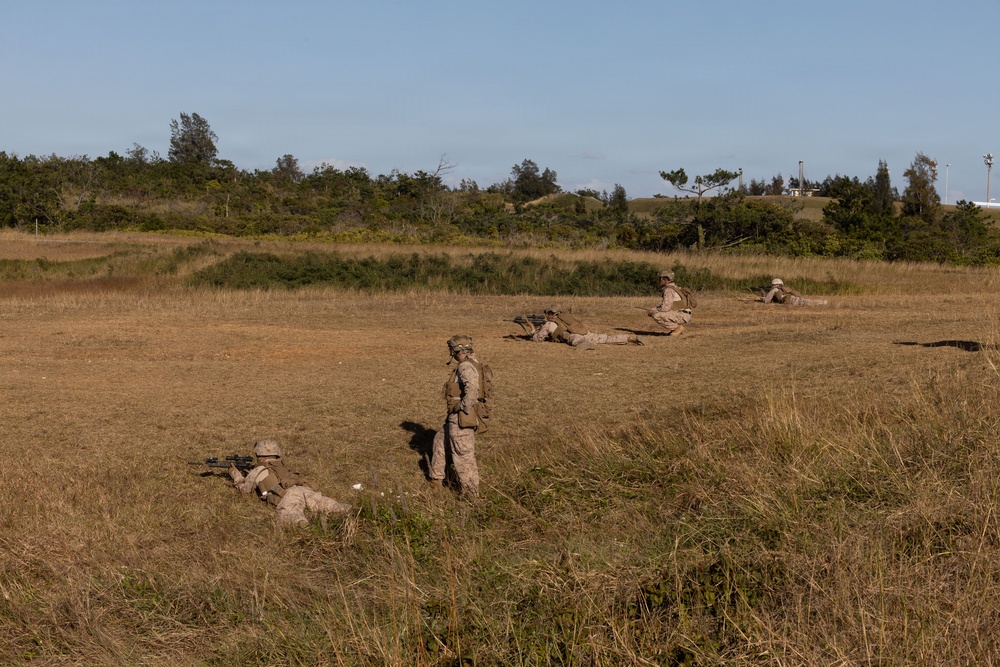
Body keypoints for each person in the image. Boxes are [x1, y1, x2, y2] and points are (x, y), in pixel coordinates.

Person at [229, 438, 351, 526]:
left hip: (289, 494)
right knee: (325, 504)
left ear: (260, 456)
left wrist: (236, 476)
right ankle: (348, 510)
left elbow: (245, 490)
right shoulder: (282, 465)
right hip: (304, 489)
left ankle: (304, 528)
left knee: (290, 516)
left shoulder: (260, 469)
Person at [429, 334, 486, 497]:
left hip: (462, 418)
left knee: (463, 456)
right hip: (456, 418)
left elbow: (472, 389)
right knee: (440, 440)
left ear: (455, 350)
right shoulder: (473, 363)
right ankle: (436, 480)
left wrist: (462, 406)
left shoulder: (465, 367)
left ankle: (471, 496)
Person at [528, 308, 646, 349]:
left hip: (574, 336)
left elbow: (538, 339)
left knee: (575, 340)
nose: (545, 316)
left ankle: (584, 344)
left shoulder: (549, 324)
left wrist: (532, 329)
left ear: (550, 314)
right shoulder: (566, 318)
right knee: (605, 338)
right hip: (585, 332)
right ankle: (629, 338)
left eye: (546, 313)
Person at [647, 270, 692, 336]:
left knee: (656, 315)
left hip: (682, 315)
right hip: (684, 313)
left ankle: (677, 328)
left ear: (665, 279)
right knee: (656, 312)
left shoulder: (669, 290)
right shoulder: (675, 287)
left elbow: (665, 308)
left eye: (661, 278)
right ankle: (676, 328)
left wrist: (654, 310)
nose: (659, 280)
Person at [763, 278, 828, 306]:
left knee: (808, 302)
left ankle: (822, 302)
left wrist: (762, 298)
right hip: (793, 298)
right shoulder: (784, 288)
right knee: (807, 301)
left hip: (790, 300)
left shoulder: (774, 290)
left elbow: (766, 301)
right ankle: (822, 302)